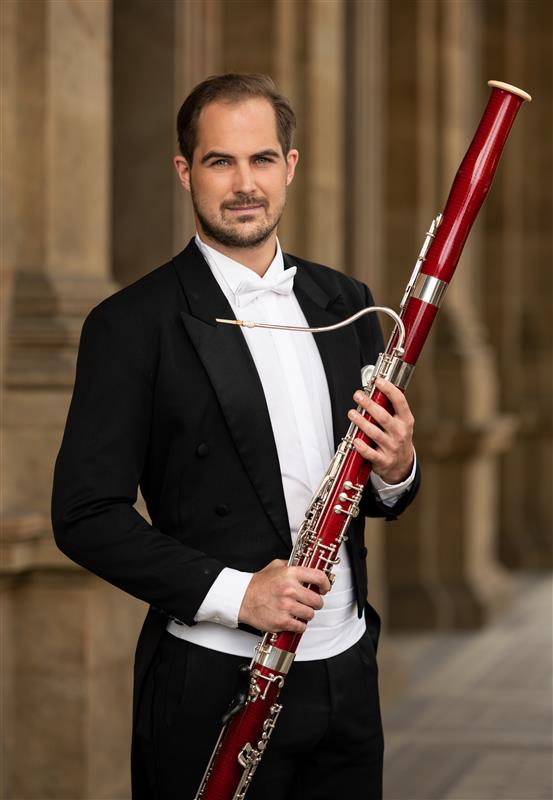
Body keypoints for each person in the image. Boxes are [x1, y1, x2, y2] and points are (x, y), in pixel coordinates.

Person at [52, 73, 420, 800]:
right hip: (212, 680)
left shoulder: (345, 302)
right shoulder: (132, 324)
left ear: (290, 166)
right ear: (185, 171)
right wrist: (238, 593)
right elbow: (84, 516)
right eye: (220, 161)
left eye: (262, 160)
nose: (244, 184)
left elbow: (379, 493)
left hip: (346, 671)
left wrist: (397, 466)